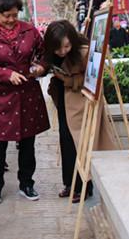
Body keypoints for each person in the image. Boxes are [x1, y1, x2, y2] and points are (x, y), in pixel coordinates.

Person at [0, 0, 49, 205]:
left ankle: (26, 183)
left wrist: (40, 67)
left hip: (28, 94)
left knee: (28, 143)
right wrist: (6, 74)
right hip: (1, 96)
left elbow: (44, 54)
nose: (11, 20)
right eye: (6, 16)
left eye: (14, 15)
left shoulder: (29, 30)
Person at [43, 20, 117, 203]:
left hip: (82, 103)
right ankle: (70, 184)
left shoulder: (85, 51)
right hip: (64, 100)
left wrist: (68, 80)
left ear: (72, 41)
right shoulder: (52, 53)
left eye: (66, 46)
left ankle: (83, 186)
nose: (62, 51)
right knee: (66, 140)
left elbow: (93, 80)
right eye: (58, 49)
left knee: (80, 143)